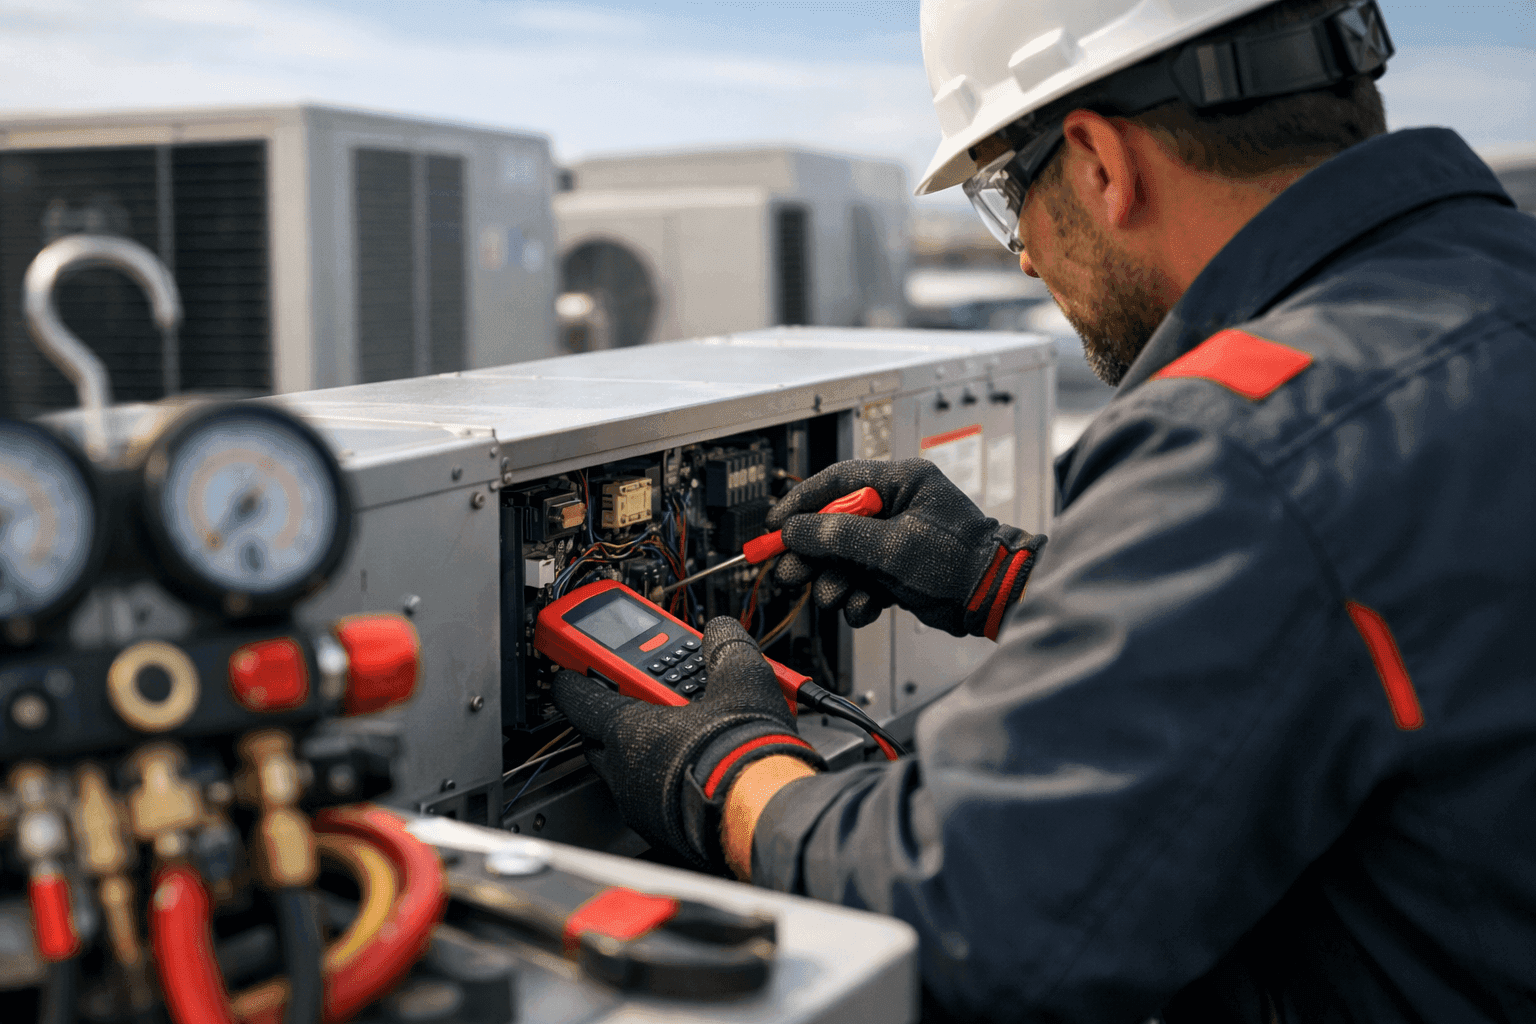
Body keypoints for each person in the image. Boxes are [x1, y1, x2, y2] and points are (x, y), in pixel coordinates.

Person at [551, 0, 1536, 1019]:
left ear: (1102, 162)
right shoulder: (1493, 294)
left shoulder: (1246, 445)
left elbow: (972, 913)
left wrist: (731, 771)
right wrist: (1005, 577)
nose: (1020, 255)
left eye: (1005, 195)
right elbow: (1361, 631)